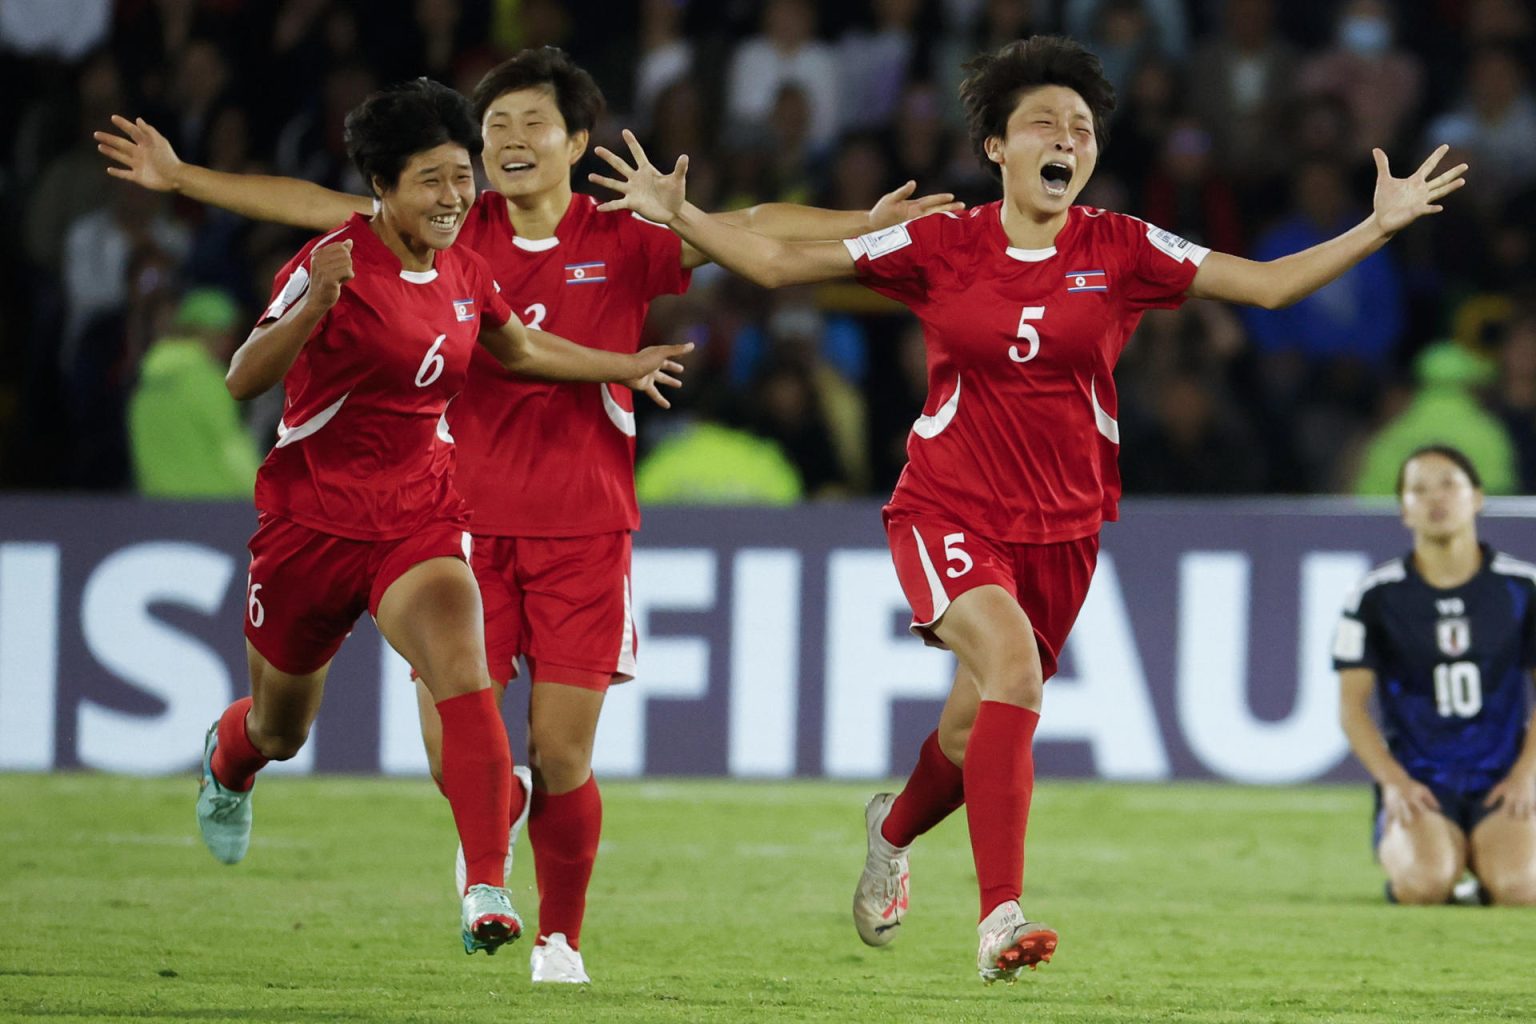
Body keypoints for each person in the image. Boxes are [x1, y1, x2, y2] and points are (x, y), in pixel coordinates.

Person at [588, 34, 1468, 982]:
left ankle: (889, 833)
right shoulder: (941, 241)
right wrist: (685, 217)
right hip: (948, 506)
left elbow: (1264, 286)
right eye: (1043, 122)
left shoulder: (1121, 246)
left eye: (1082, 127)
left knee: (972, 735)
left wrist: (1377, 226)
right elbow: (775, 265)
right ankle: (999, 920)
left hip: (1066, 528)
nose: (1066, 138)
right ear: (997, 149)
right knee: (1014, 672)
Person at [97, 46, 957, 985]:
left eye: (528, 124)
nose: (506, 141)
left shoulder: (623, 235)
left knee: (558, 756)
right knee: (408, 741)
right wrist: (183, 178)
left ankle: (553, 938)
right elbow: (307, 204)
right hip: (450, 518)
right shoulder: (450, 225)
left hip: (562, 527)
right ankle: (421, 808)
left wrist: (863, 225)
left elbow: (750, 226)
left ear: (577, 141)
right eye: (493, 126)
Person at [190, 77, 690, 960]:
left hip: (420, 519)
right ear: (382, 188)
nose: (455, 198)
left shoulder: (465, 268)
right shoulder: (331, 262)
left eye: (462, 177)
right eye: (432, 181)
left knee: (466, 678)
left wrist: (622, 361)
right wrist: (313, 307)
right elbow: (241, 378)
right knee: (280, 727)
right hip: (309, 526)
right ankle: (228, 763)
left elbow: (522, 347)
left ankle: (486, 886)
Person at [1333, 445, 1536, 906]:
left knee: (1522, 890)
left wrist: (1527, 774)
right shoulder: (1374, 596)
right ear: (1404, 510)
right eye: (1418, 489)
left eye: (1449, 484)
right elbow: (1351, 708)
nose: (1435, 498)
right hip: (1420, 781)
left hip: (1502, 779)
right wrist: (1393, 781)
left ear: (1477, 498)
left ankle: (1480, 869)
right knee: (1423, 885)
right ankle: (1439, 865)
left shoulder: (1522, 587)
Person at [127, 286, 262, 499]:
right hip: (217, 507)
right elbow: (231, 447)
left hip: (158, 508)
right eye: (228, 335)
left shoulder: (146, 383)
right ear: (211, 334)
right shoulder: (205, 379)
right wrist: (266, 494)